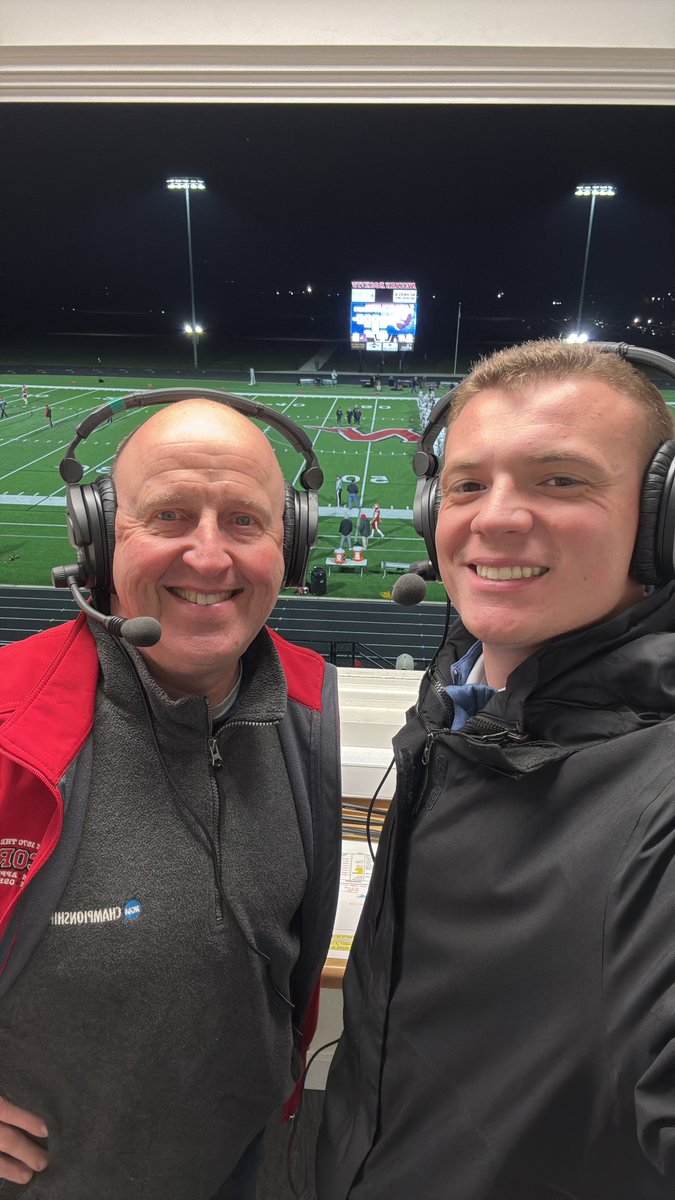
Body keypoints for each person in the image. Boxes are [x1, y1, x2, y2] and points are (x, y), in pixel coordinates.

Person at [317, 339, 675, 1200]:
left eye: (560, 480)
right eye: (468, 483)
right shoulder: (459, 708)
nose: (495, 517)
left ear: (662, 518)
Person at [0, 398, 342, 1200]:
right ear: (97, 539)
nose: (210, 555)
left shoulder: (308, 708)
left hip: (232, 1161)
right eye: (170, 515)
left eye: (246, 522)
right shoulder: (10, 713)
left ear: (287, 547)